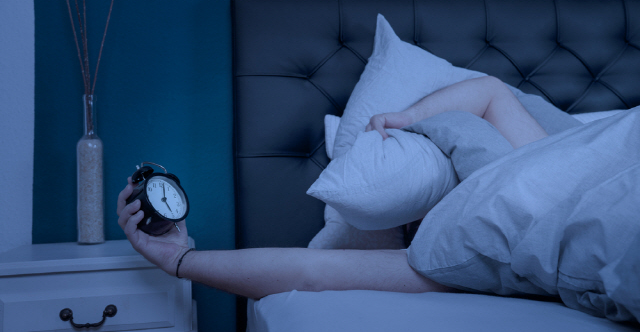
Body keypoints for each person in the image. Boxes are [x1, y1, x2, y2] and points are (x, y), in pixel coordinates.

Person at [117, 76, 548, 299]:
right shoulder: (457, 255)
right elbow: (312, 273)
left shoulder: (536, 161)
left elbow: (491, 93)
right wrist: (180, 259)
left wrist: (408, 117)